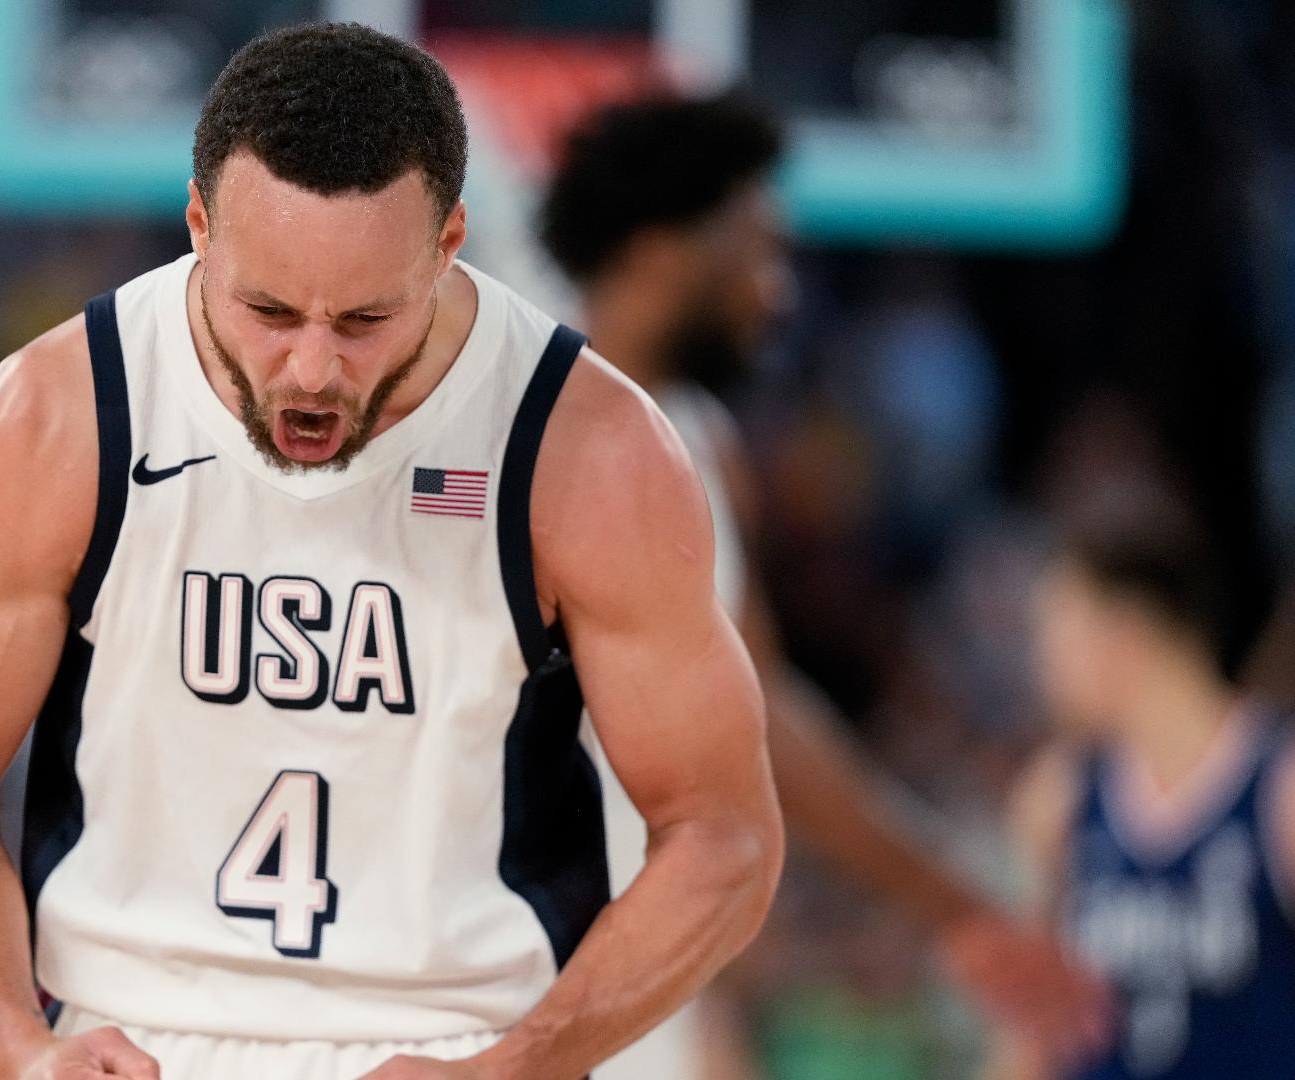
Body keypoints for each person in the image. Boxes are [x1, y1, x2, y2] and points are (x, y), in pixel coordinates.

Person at [0, 23, 783, 1080]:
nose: (310, 367)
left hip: (459, 1043)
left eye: (363, 319)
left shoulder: (591, 450)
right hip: (125, 1041)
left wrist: (515, 1069)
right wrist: (12, 1047)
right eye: (266, 310)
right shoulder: (59, 415)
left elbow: (726, 837)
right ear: (200, 227)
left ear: (447, 248)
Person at [537, 91, 1112, 1076]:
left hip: (627, 978)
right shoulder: (519, 429)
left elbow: (757, 721)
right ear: (660, 251)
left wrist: (954, 905)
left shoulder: (701, 442)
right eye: (755, 251)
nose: (780, 291)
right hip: (503, 970)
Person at [1005, 499, 1293, 1079]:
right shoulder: (1055, 800)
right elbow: (1029, 1038)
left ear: (1124, 628)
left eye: (1052, 628)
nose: (1041, 662)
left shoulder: (1278, 789)